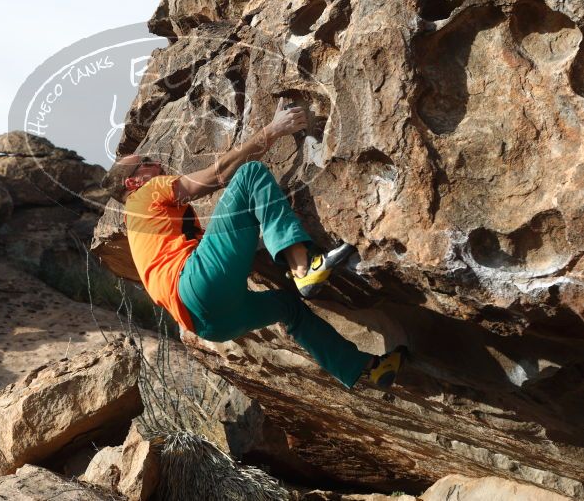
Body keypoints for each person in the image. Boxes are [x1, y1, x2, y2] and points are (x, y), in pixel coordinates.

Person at [103, 98, 405, 389]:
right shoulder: (146, 193)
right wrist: (273, 130)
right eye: (146, 163)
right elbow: (218, 175)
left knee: (289, 308)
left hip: (210, 325)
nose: (156, 163)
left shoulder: (139, 224)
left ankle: (364, 367)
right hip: (195, 284)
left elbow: (225, 237)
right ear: (133, 182)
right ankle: (303, 268)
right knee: (249, 175)